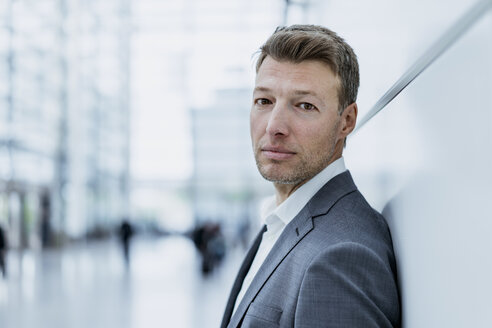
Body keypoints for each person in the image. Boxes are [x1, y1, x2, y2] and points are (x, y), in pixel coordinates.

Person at [220, 25, 400, 328]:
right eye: (264, 101)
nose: (274, 126)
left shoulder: (340, 257)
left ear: (346, 121)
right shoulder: (283, 221)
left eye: (305, 105)